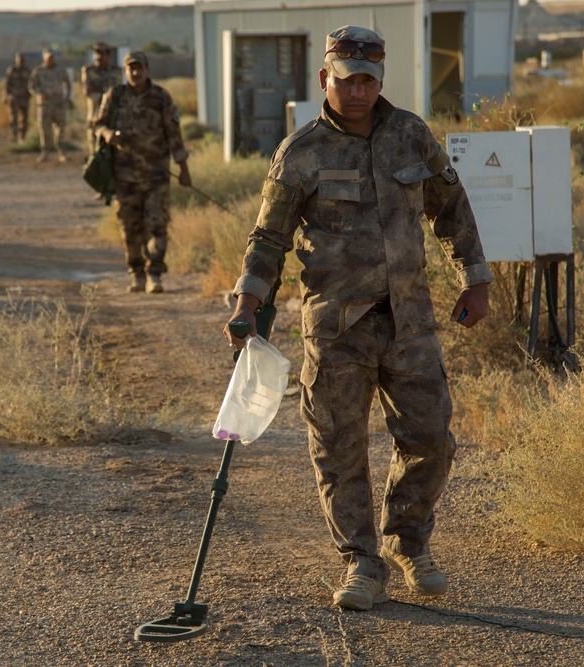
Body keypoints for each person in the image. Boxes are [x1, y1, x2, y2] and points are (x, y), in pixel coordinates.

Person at [223, 26, 493, 611]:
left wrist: (476, 276)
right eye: (347, 81)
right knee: (340, 450)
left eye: (368, 80)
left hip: (409, 322)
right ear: (326, 79)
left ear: (379, 79)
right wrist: (248, 301)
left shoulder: (411, 136)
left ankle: (408, 540)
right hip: (337, 327)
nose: (358, 92)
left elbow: (451, 205)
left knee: (431, 440)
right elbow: (268, 236)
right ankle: (361, 563)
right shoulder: (301, 152)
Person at [92, 50, 191, 294]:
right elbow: (98, 124)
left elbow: (174, 135)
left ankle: (154, 274)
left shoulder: (160, 97)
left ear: (147, 70)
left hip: (156, 176)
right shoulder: (115, 96)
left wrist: (184, 168)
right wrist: (107, 134)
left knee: (157, 225)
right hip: (124, 176)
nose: (135, 73)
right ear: (125, 72)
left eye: (139, 68)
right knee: (129, 227)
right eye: (130, 69)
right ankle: (135, 273)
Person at [28, 48, 72, 162]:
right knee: (44, 129)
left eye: (52, 57)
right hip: (45, 105)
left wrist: (67, 98)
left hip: (59, 104)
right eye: (48, 58)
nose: (51, 60)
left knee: (61, 129)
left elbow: (68, 83)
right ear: (44, 58)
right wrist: (39, 93)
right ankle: (45, 152)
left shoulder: (60, 70)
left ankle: (61, 152)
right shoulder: (38, 71)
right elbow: (32, 85)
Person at [80, 43, 123, 156]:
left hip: (113, 116)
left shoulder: (116, 71)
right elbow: (88, 90)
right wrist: (107, 90)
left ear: (108, 56)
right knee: (95, 153)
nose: (99, 57)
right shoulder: (88, 70)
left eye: (102, 54)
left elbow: (119, 91)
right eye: (96, 53)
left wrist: (100, 89)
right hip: (95, 115)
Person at [3, 52, 32, 143]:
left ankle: (22, 136)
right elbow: (7, 84)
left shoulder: (27, 71)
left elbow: (31, 84)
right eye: (19, 60)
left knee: (24, 118)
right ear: (16, 60)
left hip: (24, 97)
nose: (21, 62)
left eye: (22, 60)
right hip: (14, 97)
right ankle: (13, 134)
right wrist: (5, 96)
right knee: (13, 117)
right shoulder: (12, 70)